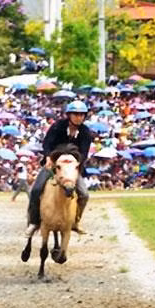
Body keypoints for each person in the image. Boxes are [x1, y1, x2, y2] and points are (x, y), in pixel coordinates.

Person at [25, 100, 92, 237]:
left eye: (82, 114)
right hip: (53, 165)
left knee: (84, 194)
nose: (79, 117)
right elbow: (47, 144)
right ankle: (34, 222)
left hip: (72, 168)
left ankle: (75, 221)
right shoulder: (57, 127)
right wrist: (49, 157)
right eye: (76, 114)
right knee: (36, 190)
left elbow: (84, 152)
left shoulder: (85, 132)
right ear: (69, 115)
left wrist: (77, 164)